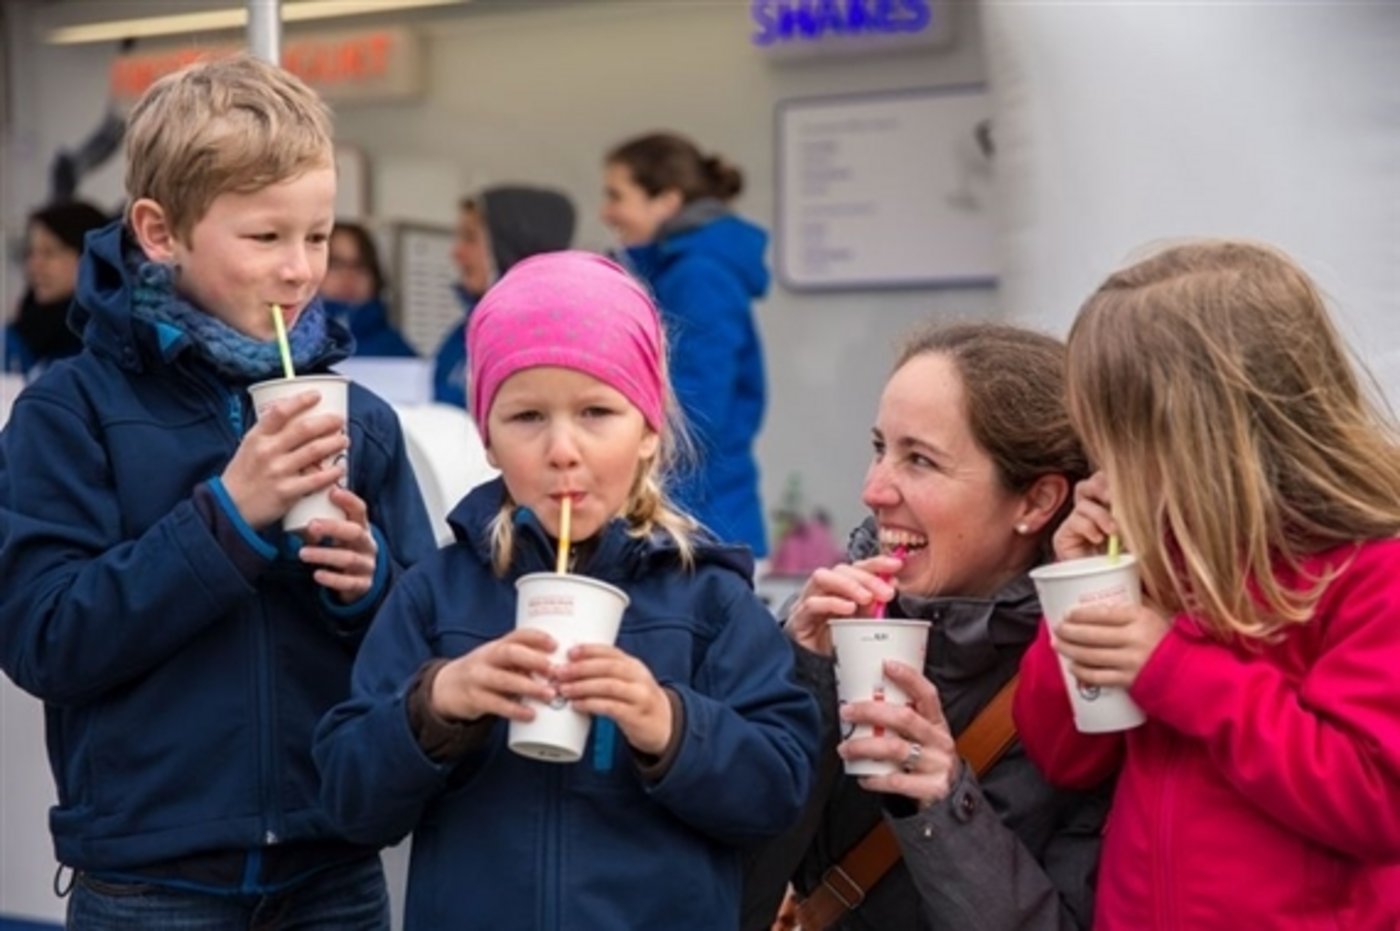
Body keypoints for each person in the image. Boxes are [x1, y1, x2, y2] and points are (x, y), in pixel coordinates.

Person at [0, 55, 436, 929]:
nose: (299, 269)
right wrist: (226, 518)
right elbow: (44, 638)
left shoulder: (364, 423)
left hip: (334, 865)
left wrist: (374, 585)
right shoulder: (70, 411)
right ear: (161, 231)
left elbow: (429, 640)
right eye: (265, 238)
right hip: (150, 880)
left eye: (317, 236)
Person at [314, 250, 821, 930]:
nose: (561, 449)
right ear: (486, 438)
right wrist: (435, 703)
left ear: (648, 430)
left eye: (596, 411)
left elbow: (778, 792)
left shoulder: (709, 599)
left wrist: (668, 723)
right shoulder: (436, 593)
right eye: (526, 417)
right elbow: (350, 801)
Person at [1014, 241, 1400, 930]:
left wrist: (1176, 669)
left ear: (1194, 432)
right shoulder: (1158, 555)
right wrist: (1080, 584)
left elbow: (1374, 799)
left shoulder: (1372, 570)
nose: (1099, 465)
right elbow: (1066, 754)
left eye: (1113, 438)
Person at [742, 323, 1110, 931]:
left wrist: (944, 802)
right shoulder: (830, 629)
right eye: (879, 446)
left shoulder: (1093, 683)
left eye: (919, 459)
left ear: (1036, 503)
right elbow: (723, 898)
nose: (872, 489)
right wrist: (798, 684)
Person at [602, 132, 770, 557]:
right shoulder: (675, 271)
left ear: (667, 201)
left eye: (617, 195)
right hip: (690, 513)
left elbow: (695, 407)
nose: (606, 212)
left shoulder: (698, 276)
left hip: (702, 521)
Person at [432, 185, 575, 408]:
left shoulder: (546, 344)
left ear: (508, 246)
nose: (456, 252)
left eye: (470, 238)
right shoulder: (461, 337)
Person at [3, 200, 109, 377]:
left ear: (89, 257)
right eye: (31, 253)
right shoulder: (16, 339)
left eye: (49, 252)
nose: (34, 265)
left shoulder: (115, 345)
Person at [320, 220, 417, 358]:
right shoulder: (289, 344)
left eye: (360, 266)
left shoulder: (394, 350)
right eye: (335, 264)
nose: (349, 277)